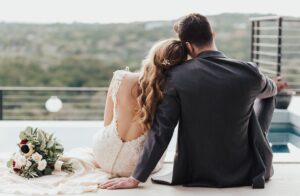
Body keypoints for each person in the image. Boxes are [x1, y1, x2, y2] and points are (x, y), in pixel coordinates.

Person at [99, 13, 278, 190]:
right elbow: (272, 91)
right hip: (250, 171)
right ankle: (258, 146)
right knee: (266, 95)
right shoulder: (249, 71)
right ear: (213, 35)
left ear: (188, 46)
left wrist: (136, 178)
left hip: (197, 173)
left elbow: (162, 129)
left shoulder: (176, 77)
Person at [93, 39, 188, 178]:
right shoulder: (170, 93)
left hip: (103, 154)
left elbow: (107, 123)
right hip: (136, 166)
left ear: (153, 56)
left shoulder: (120, 77)